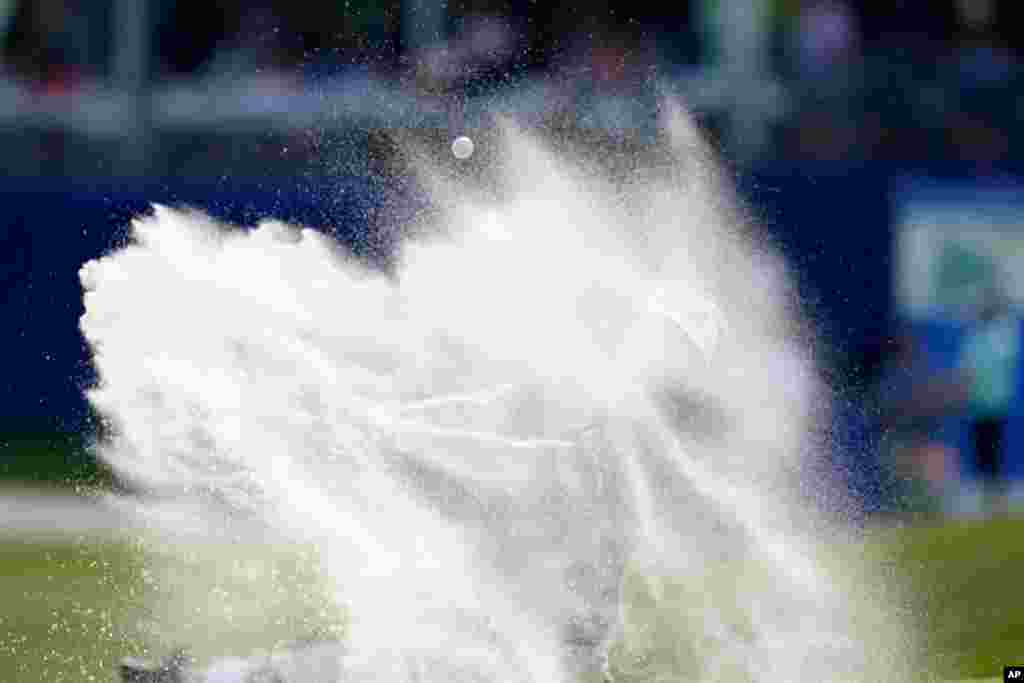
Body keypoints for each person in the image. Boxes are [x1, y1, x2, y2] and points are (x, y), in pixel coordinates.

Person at [958, 289, 1020, 516]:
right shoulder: (975, 337)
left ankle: (995, 494)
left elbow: (1007, 347)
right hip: (978, 404)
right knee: (982, 449)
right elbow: (966, 370)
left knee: (994, 449)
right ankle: (987, 494)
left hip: (995, 403)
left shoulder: (1000, 335)